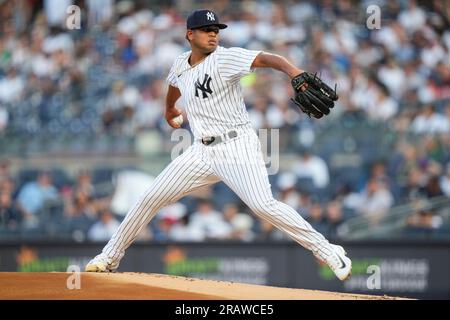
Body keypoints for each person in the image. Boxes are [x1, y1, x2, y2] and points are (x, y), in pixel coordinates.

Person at [86, 9, 351, 281]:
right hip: (201, 151)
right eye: (207, 29)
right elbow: (175, 85)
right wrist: (169, 109)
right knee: (149, 197)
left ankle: (329, 250)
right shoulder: (180, 64)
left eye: (216, 29)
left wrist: (294, 73)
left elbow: (267, 58)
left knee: (263, 206)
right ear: (190, 34)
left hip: (237, 146)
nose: (214, 33)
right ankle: (109, 257)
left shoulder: (225, 58)